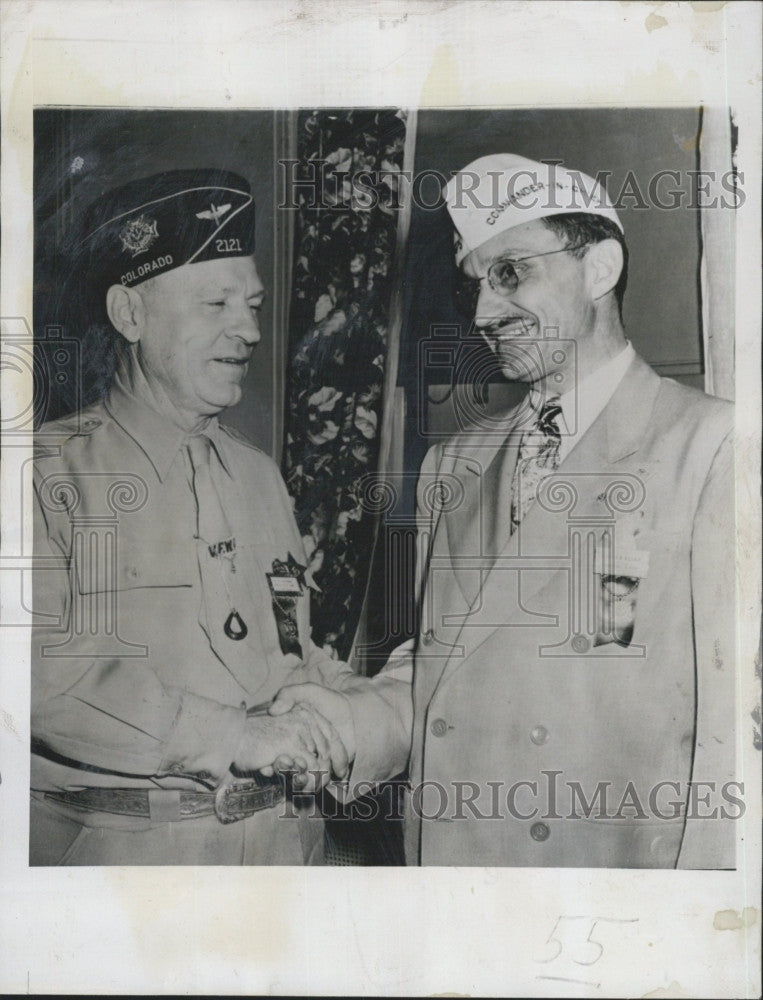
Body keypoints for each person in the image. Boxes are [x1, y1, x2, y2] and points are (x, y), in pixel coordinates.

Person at [271, 154, 737, 868]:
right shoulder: (451, 464)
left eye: (510, 272)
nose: (483, 312)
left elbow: (727, 734)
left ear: (599, 269)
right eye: (476, 285)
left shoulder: (710, 448)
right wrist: (347, 722)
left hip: (608, 879)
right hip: (460, 870)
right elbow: (445, 670)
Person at [30, 168, 360, 866]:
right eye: (215, 303)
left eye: (253, 305)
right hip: (129, 863)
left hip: (285, 850)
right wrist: (231, 737)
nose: (247, 330)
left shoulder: (258, 475)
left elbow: (286, 647)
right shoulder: (47, 474)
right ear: (130, 314)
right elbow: (40, 677)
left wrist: (339, 707)